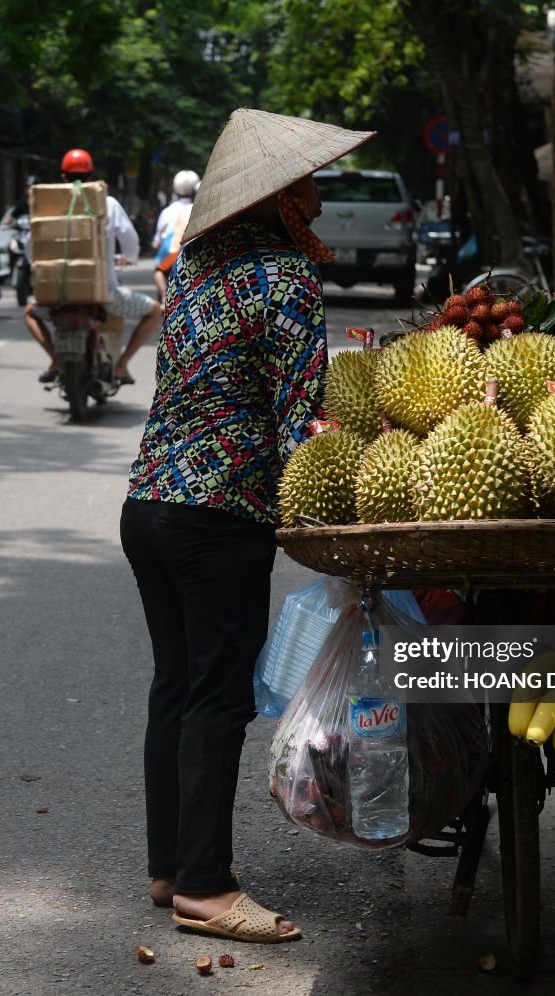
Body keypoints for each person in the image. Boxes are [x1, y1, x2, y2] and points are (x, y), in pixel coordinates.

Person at [121, 108, 374, 943]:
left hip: (149, 505)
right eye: (306, 183)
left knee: (177, 687)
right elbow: (302, 415)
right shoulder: (286, 278)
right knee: (219, 699)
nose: (317, 198)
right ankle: (206, 886)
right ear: (277, 196)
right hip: (218, 513)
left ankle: (169, 868)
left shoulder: (194, 265)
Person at [24, 150, 161, 385]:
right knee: (156, 311)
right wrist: (130, 257)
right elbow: (129, 239)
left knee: (29, 312)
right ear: (91, 174)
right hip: (104, 295)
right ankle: (121, 366)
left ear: (63, 176)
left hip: (56, 297)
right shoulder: (107, 203)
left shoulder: (51, 201)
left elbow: (32, 244)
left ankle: (56, 360)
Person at [151, 170, 199, 301]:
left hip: (171, 257)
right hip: (193, 255)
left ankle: (163, 296)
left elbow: (158, 239)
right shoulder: (198, 208)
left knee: (159, 271)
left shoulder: (167, 211)